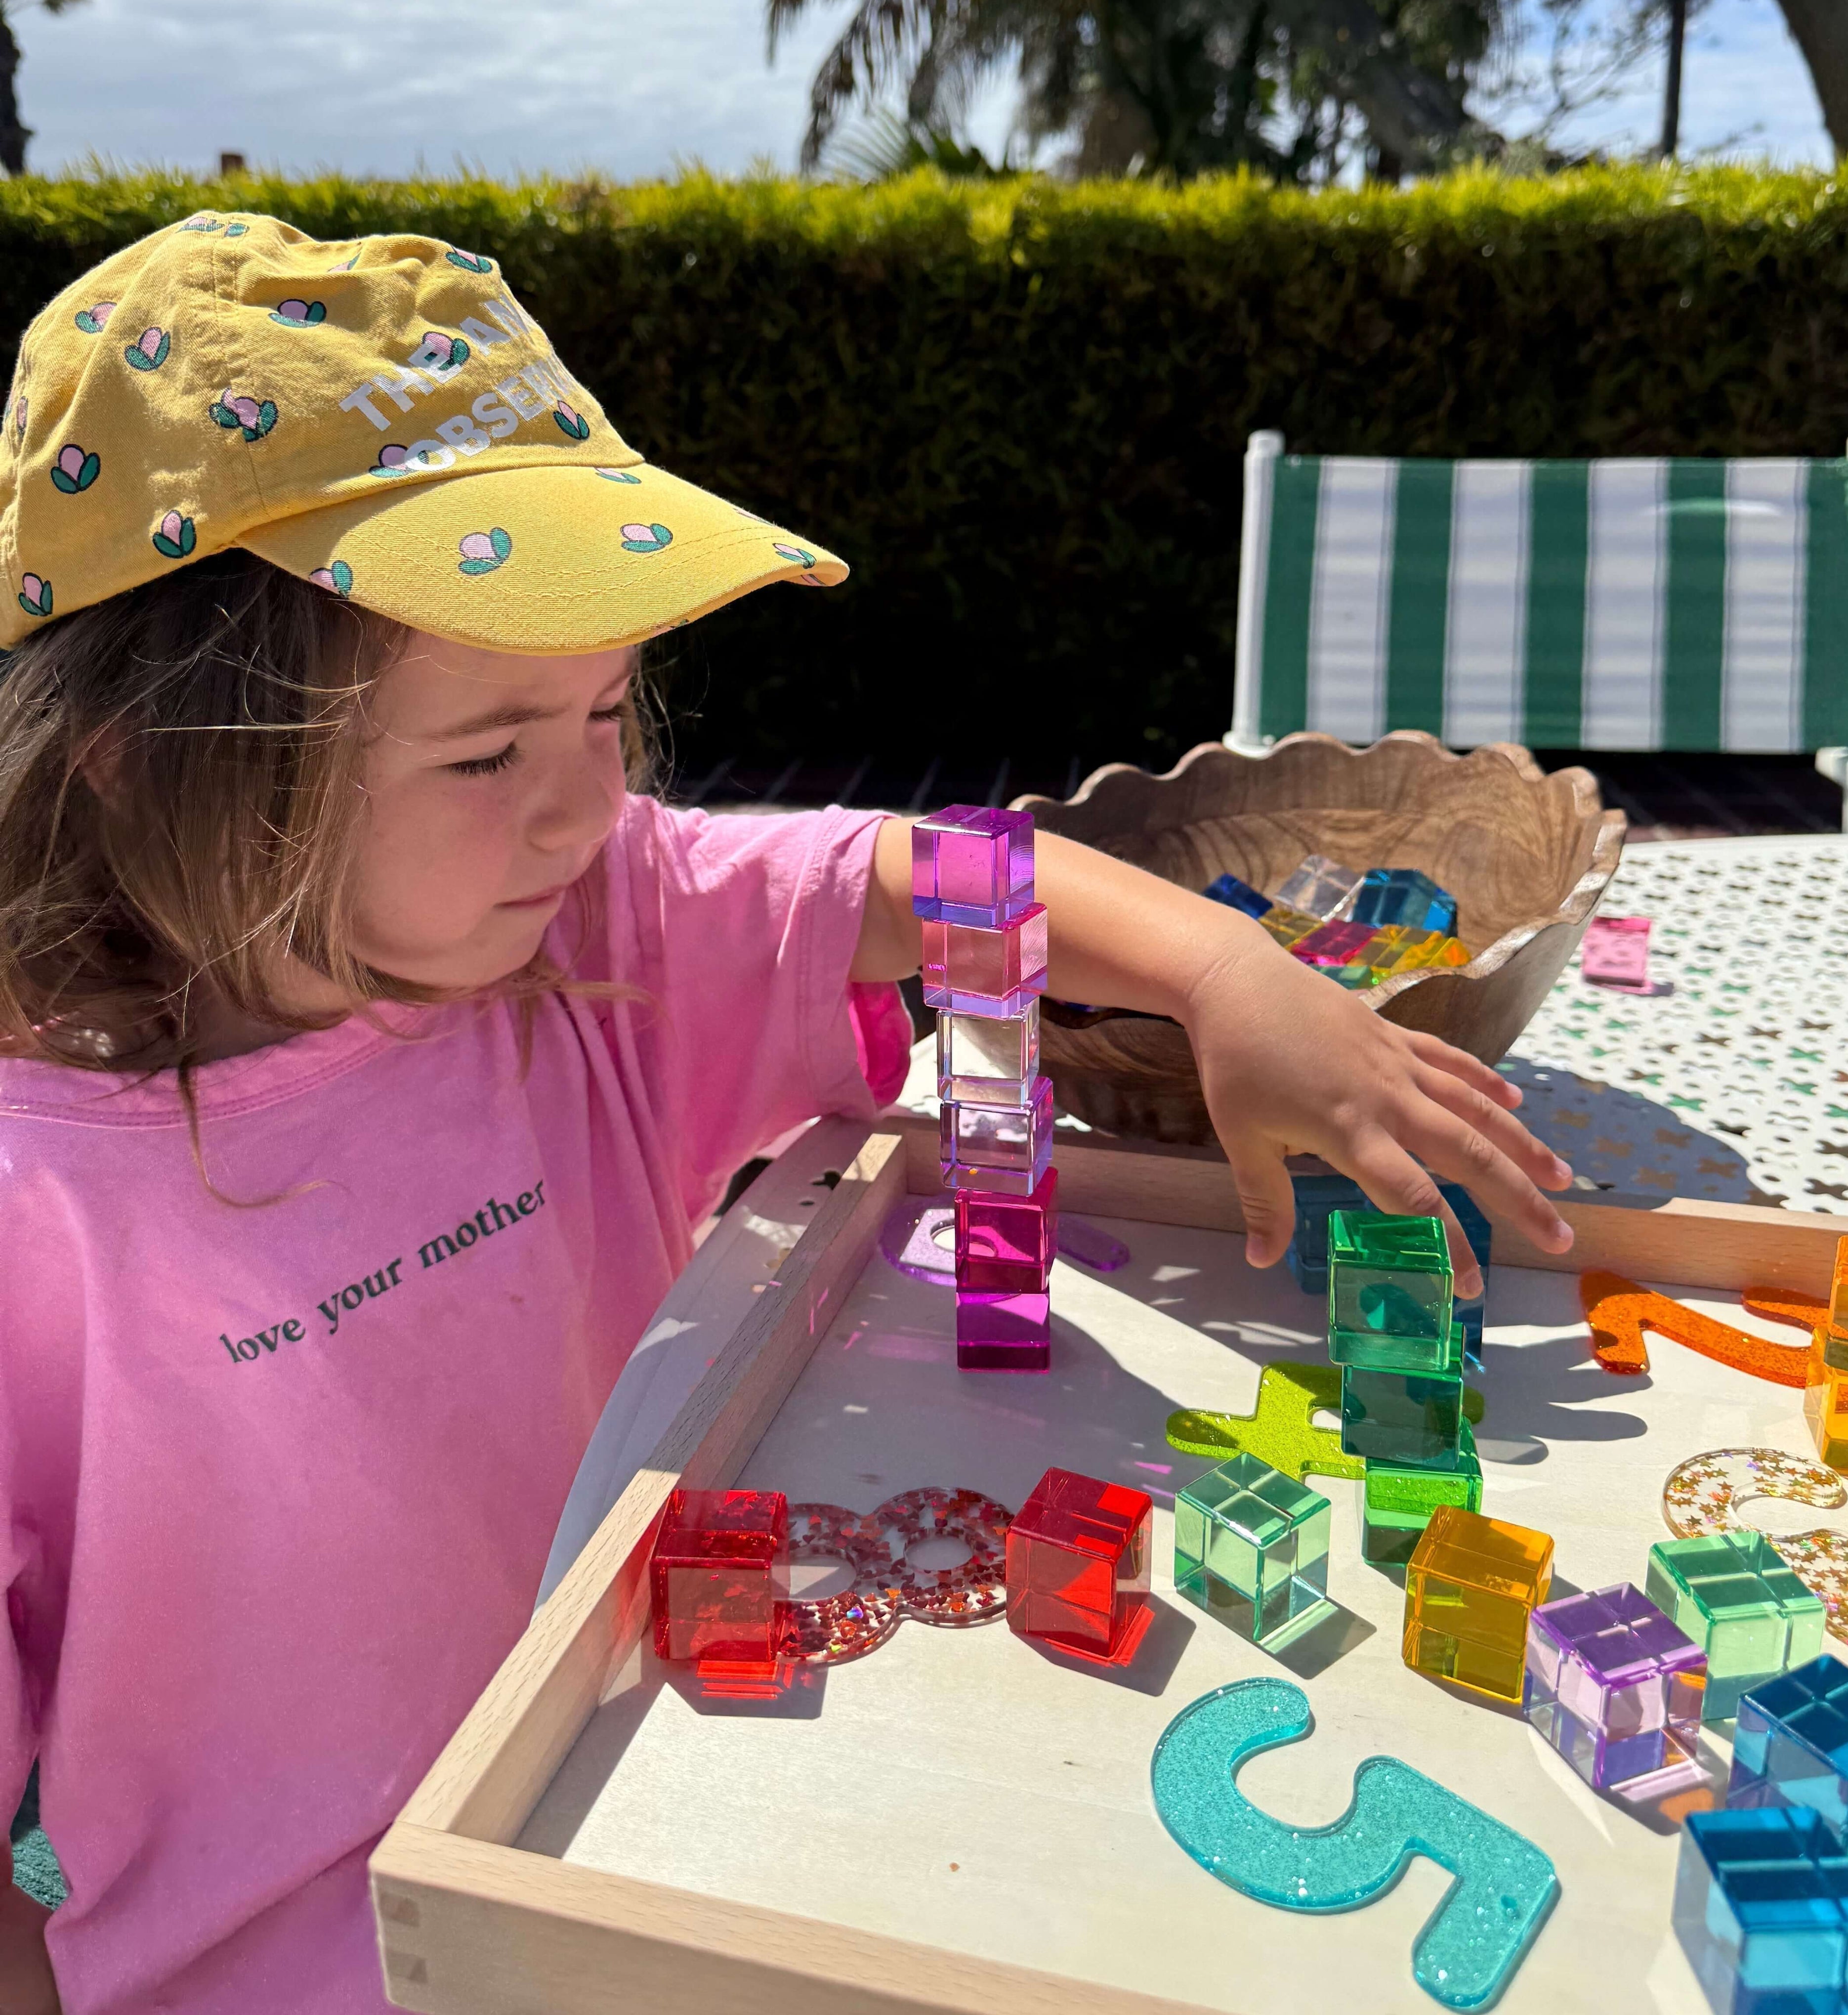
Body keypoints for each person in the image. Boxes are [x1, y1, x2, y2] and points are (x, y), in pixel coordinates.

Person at [0, 214, 1573, 2015]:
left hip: (674, 1835)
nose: (585, 805)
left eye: (604, 714)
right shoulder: (35, 1207)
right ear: (142, 761)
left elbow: (942, 877)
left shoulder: (582, 943)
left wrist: (1224, 975)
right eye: (487, 751)